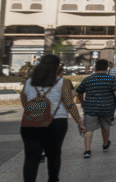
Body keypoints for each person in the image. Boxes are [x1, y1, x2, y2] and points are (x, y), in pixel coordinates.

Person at [20, 54, 84, 182]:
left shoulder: (28, 82)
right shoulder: (62, 82)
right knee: (54, 155)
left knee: (31, 157)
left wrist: (36, 112)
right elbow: (69, 103)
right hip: (56, 122)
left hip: (30, 123)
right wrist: (79, 122)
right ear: (56, 67)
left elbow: (24, 100)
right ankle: (53, 179)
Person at [76, 58, 116, 160]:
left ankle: (87, 151)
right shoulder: (111, 79)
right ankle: (105, 145)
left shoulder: (88, 79)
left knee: (89, 129)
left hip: (90, 108)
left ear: (95, 68)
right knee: (105, 127)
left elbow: (79, 92)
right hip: (106, 108)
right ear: (106, 68)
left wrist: (82, 102)